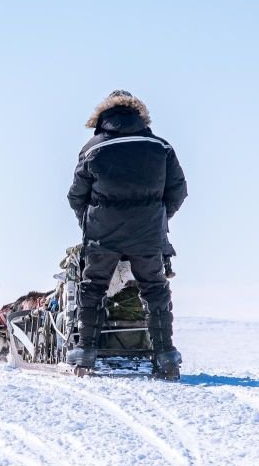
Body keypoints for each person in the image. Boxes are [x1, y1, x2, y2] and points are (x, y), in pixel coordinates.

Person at [66, 90, 188, 379]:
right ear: (140, 115)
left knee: (93, 288)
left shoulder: (92, 149)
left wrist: (91, 224)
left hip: (102, 236)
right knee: (155, 289)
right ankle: (165, 356)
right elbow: (179, 191)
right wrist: (158, 219)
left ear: (102, 117)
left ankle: (85, 354)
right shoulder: (161, 147)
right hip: (147, 236)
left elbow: (75, 196)